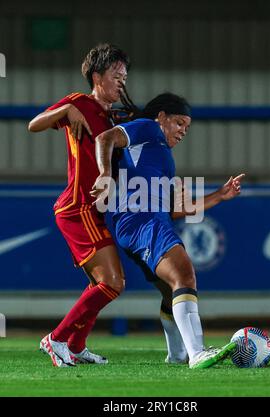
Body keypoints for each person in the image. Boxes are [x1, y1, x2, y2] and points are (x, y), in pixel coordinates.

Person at [91, 92, 245, 369]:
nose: (184, 131)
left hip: (150, 221)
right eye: (179, 123)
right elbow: (105, 138)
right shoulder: (148, 128)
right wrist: (104, 173)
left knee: (170, 290)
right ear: (161, 117)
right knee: (184, 274)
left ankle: (177, 356)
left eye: (187, 127)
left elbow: (177, 209)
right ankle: (197, 352)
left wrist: (220, 195)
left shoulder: (162, 156)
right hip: (141, 222)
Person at [28, 43, 132, 367]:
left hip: (92, 209)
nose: (122, 82)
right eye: (116, 75)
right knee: (112, 283)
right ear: (97, 75)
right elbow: (34, 124)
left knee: (100, 283)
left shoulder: (111, 116)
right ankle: (56, 338)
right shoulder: (80, 103)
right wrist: (65, 111)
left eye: (125, 76)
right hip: (78, 207)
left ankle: (75, 345)